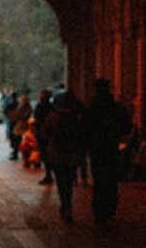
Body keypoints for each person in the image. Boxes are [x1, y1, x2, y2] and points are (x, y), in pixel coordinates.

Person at [83, 78, 130, 224]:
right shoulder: (116, 107)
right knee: (111, 180)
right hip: (111, 148)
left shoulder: (92, 108)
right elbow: (126, 127)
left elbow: (85, 128)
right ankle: (109, 210)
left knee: (99, 180)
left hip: (97, 149)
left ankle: (99, 211)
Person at [38, 90, 86, 221]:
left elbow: (44, 133)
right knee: (69, 181)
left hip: (56, 154)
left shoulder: (53, 117)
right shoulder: (79, 118)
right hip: (72, 154)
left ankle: (65, 205)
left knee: (61, 182)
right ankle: (68, 205)